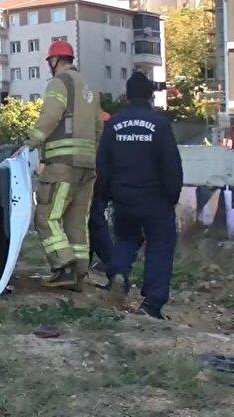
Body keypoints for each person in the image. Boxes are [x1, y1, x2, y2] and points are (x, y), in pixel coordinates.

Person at [95, 71, 184, 319]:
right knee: (160, 244)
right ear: (149, 95)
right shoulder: (159, 124)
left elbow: (103, 165)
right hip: (155, 199)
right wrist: (172, 195)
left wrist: (103, 196)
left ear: (127, 95)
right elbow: (171, 164)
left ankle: (119, 273)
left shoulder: (113, 124)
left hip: (124, 197)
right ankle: (152, 302)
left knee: (125, 238)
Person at [23, 40, 102, 290]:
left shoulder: (60, 83)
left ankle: (63, 266)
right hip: (87, 167)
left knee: (46, 215)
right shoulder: (89, 88)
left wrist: (32, 141)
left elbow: (51, 115)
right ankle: (79, 274)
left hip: (63, 166)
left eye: (49, 62)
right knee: (76, 221)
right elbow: (99, 127)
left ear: (54, 61)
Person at [89, 110, 113, 273]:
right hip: (105, 181)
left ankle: (110, 260)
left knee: (93, 220)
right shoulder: (110, 130)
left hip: (95, 181)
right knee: (90, 221)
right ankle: (85, 261)